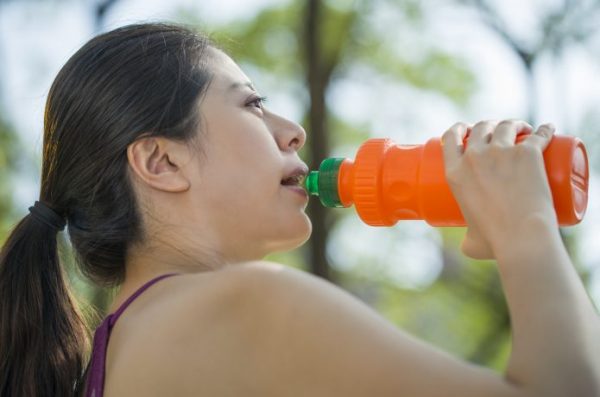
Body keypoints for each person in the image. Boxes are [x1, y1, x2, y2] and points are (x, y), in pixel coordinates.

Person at [0, 22, 598, 397]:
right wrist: (526, 229)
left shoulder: (118, 350)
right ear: (162, 163)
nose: (292, 132)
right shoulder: (249, 307)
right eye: (253, 105)